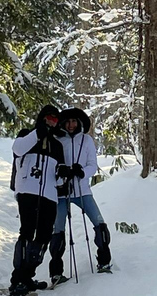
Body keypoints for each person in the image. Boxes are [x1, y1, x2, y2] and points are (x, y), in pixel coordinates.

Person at [48, 107, 112, 286]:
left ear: (80, 122)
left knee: (100, 225)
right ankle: (56, 273)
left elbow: (93, 164)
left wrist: (81, 172)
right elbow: (51, 165)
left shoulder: (87, 140)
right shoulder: (57, 140)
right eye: (67, 121)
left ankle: (104, 261)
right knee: (57, 231)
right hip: (60, 192)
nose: (70, 125)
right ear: (62, 123)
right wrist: (61, 172)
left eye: (74, 121)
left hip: (83, 191)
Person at [9, 105, 66, 296]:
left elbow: (58, 179)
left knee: (43, 236)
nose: (52, 122)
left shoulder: (57, 145)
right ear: (42, 118)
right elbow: (17, 150)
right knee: (27, 231)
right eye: (49, 118)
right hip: (27, 191)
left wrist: (63, 174)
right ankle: (17, 279)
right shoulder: (27, 135)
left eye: (55, 120)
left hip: (49, 195)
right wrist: (37, 133)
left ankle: (27, 276)